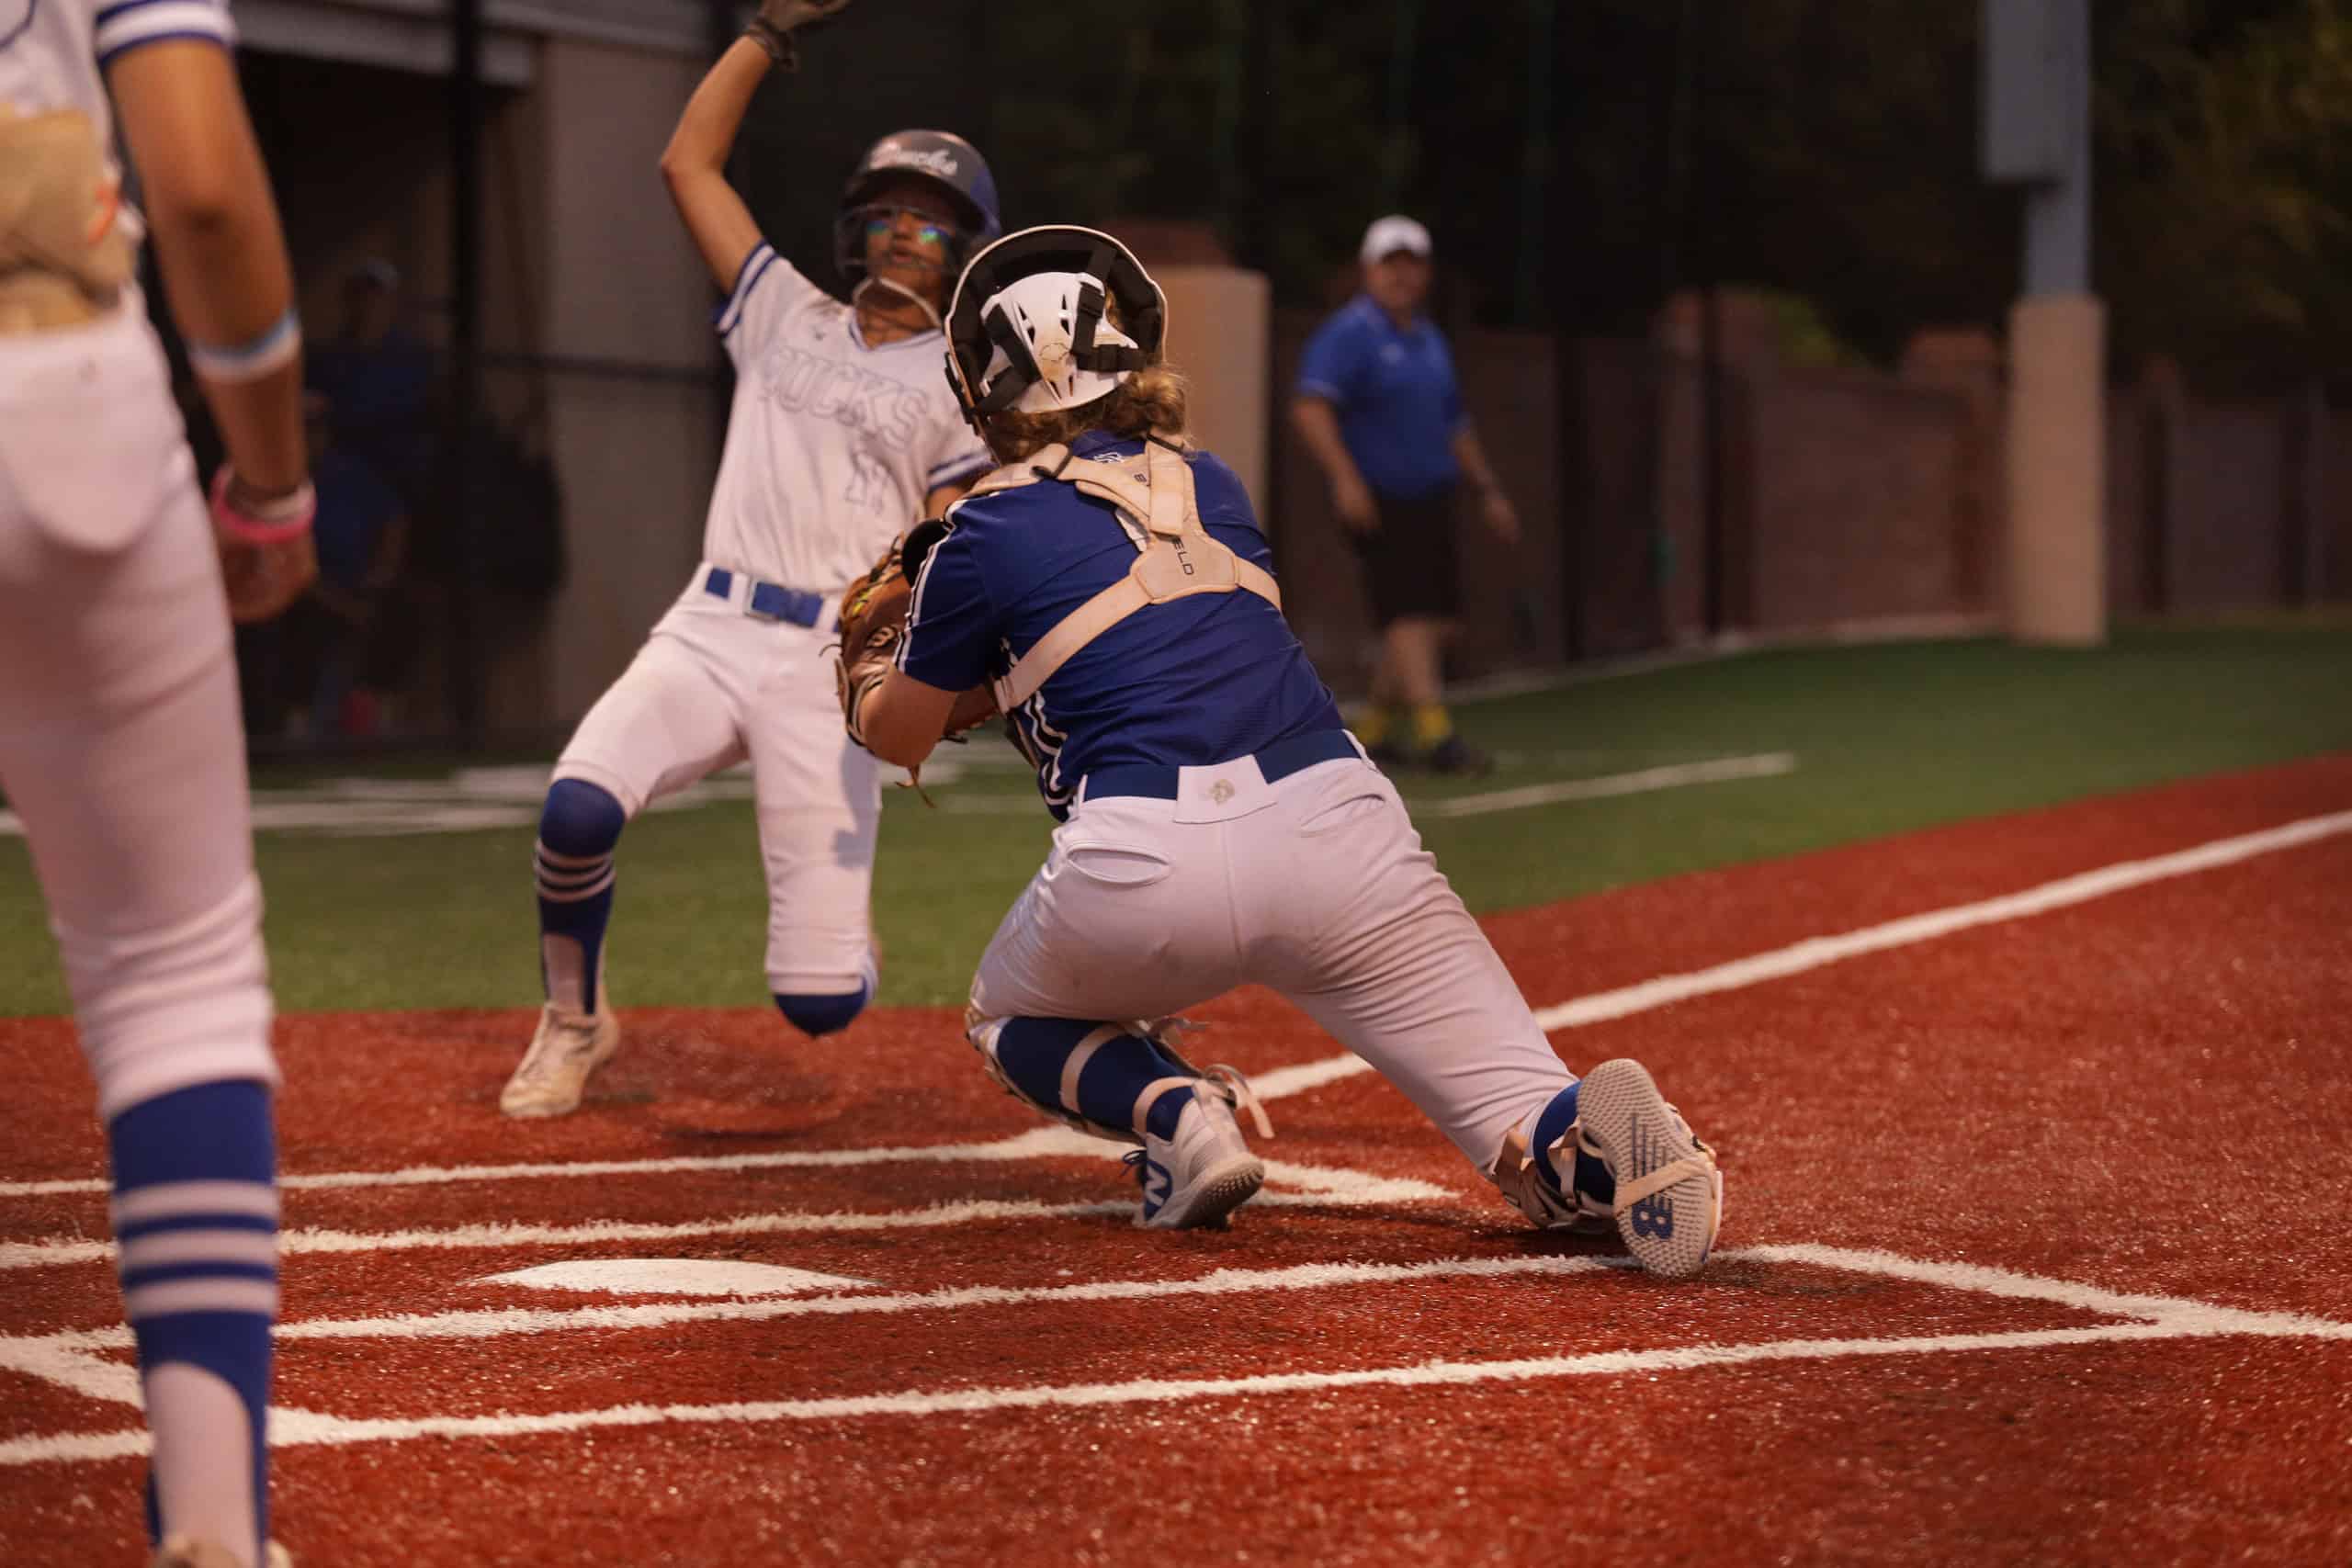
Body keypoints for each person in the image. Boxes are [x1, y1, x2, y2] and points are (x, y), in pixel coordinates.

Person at [840, 225, 1721, 1277]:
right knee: (1515, 1115)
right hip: (1338, 830)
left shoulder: (980, 534)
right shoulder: (1212, 485)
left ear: (983, 395)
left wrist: (862, 668)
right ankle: (1579, 1143)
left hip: (1142, 864)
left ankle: (1174, 1112)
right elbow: (1130, 626)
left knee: (1010, 1011)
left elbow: (902, 732)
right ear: (1130, 358)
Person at [496, 0, 1000, 1117]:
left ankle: (840, 936)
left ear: (962, 248)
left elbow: (958, 540)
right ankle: (576, 1020)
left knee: (821, 1005)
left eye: (929, 220)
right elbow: (688, 163)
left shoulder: (959, 387)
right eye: (888, 214)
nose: (904, 234)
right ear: (856, 229)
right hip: (714, 628)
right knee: (576, 810)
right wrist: (765, 33)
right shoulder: (786, 312)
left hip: (832, 660)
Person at [1, 6, 316, 1566]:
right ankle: (210, 1521)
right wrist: (271, 477)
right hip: (56, 373)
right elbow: (196, 184)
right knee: (172, 981)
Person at [1290, 214, 1519, 775]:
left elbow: (1454, 424)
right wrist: (1346, 479)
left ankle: (1370, 732)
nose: (1402, 276)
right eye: (1391, 264)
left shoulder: (1428, 340)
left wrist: (1487, 489)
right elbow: (1311, 407)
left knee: (1434, 620)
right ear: (1369, 270)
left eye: (1412, 265)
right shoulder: (1351, 333)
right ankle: (1437, 735)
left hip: (1432, 495)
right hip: (1381, 496)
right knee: (1409, 615)